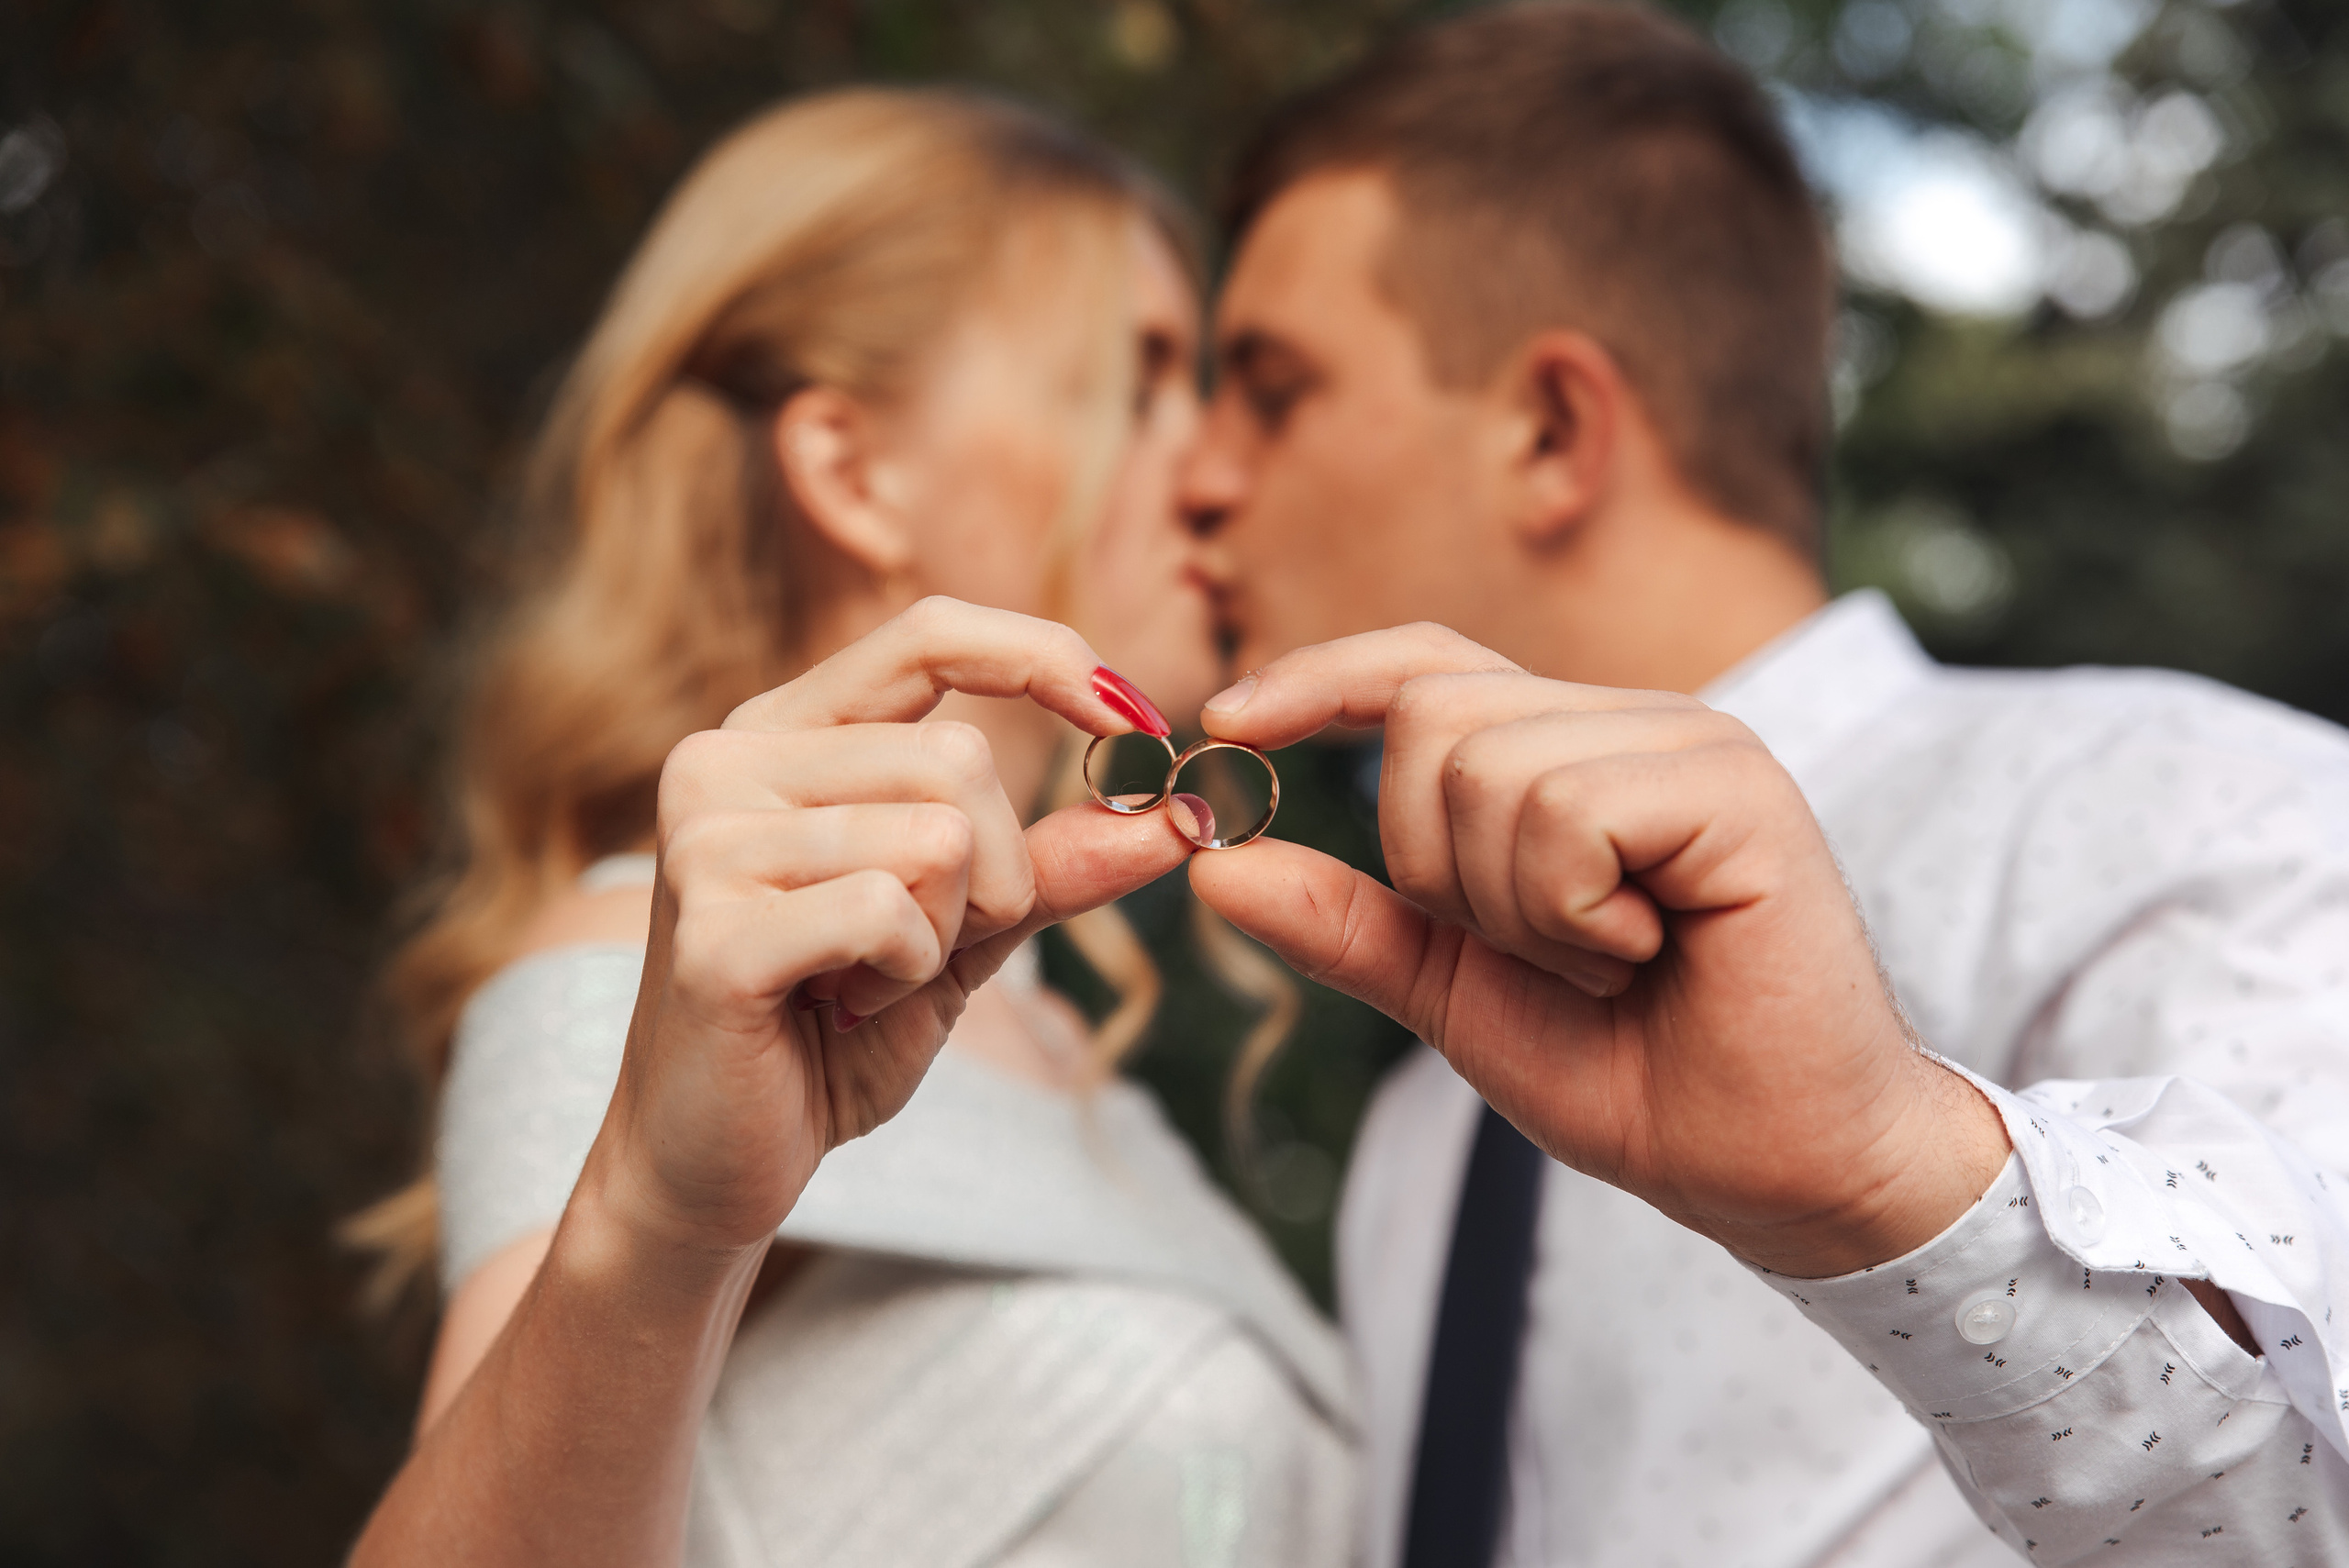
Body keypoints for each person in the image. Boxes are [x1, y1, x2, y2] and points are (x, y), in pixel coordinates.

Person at [1173, 5, 2349, 1565]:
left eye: (1269, 386)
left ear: (1548, 429)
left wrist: (1894, 1182)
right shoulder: (1424, 1127)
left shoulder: (2206, 812)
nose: (1194, 473)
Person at [346, 90, 1351, 1566]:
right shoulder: (656, 975)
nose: (1210, 473)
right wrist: (656, 1222)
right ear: (851, 469)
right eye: (1135, 384)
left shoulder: (1056, 1039)